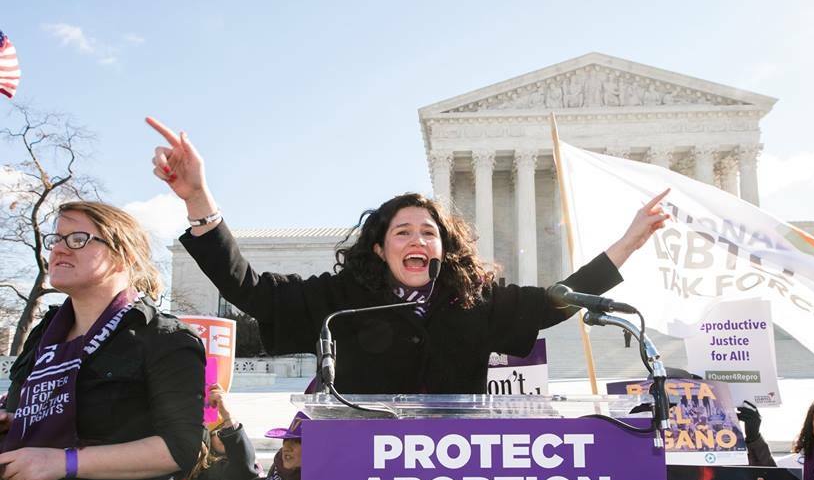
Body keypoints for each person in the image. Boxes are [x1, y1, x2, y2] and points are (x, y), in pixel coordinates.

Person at [145, 117, 670, 395]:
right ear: (379, 247)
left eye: (429, 233)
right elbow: (251, 290)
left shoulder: (475, 301)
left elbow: (557, 301)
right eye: (403, 232)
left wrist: (627, 244)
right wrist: (199, 200)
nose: (418, 241)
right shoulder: (343, 298)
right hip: (362, 478)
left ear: (444, 247)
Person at [0, 201, 206, 480]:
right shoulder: (44, 336)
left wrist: (64, 462)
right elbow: (26, 415)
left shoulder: (164, 338)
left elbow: (179, 447)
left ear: (123, 254)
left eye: (78, 239)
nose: (59, 248)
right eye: (57, 238)